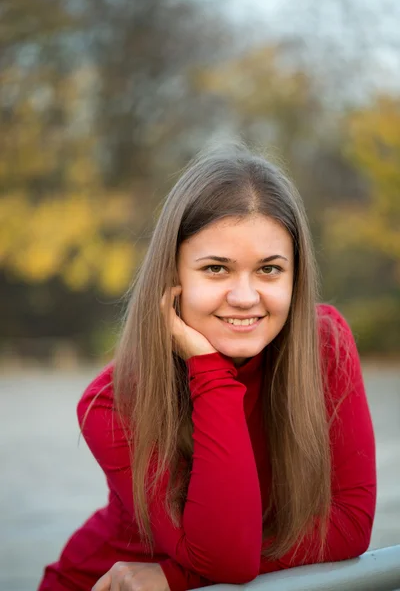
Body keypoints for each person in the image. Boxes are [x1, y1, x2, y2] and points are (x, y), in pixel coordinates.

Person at [38, 143, 376, 591]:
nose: (244, 296)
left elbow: (350, 525)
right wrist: (209, 370)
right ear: (172, 276)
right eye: (216, 269)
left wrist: (176, 577)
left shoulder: (326, 344)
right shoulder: (112, 403)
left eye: (270, 270)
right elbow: (226, 560)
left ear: (296, 276)